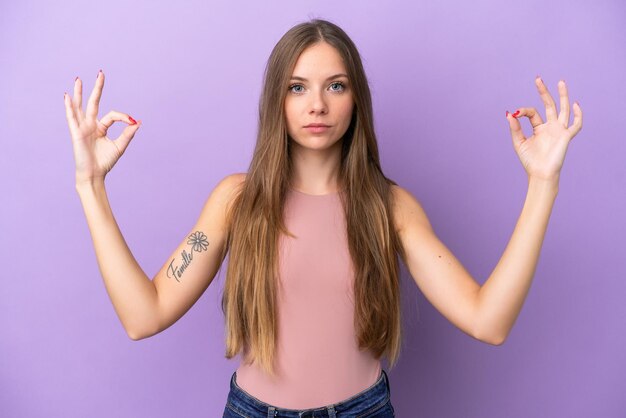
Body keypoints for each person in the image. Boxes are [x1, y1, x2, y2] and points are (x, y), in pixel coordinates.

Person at [64, 18, 582, 418]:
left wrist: (543, 184)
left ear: (356, 99)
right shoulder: (235, 201)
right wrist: (91, 185)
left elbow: (488, 321)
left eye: (335, 85)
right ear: (278, 100)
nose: (317, 104)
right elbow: (144, 315)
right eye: (297, 87)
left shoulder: (390, 207)